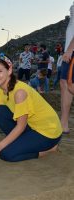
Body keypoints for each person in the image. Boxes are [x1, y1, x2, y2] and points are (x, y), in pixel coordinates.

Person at [0, 54, 62, 162]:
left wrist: (0, 146)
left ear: (9, 70)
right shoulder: (2, 89)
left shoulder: (19, 92)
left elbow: (20, 126)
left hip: (47, 132)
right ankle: (21, 142)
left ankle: (48, 150)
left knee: (6, 154)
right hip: (31, 127)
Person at [60, 2, 74, 134]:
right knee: (65, 84)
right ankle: (63, 124)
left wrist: (70, 49)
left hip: (72, 51)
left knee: (69, 85)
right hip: (69, 51)